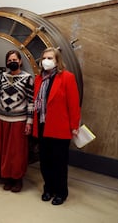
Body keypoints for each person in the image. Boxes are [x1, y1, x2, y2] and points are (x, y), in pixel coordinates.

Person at [32, 47, 81, 205]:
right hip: (42, 126)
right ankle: (48, 189)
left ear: (57, 61)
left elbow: (73, 104)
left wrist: (74, 125)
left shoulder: (67, 77)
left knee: (59, 163)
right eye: (44, 58)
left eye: (50, 58)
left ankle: (61, 192)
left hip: (60, 127)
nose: (46, 61)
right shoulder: (39, 78)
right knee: (45, 161)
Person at [0, 50, 34, 193]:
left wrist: (29, 121)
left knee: (16, 153)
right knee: (2, 151)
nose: (12, 62)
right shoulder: (3, 76)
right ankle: (6, 177)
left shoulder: (28, 78)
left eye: (14, 59)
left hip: (19, 121)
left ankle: (17, 179)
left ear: (20, 61)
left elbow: (31, 101)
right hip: (2, 120)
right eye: (9, 60)